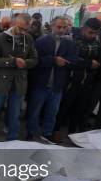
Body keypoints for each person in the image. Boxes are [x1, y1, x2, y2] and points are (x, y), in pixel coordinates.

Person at [0, 13, 37, 142]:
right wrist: (12, 62)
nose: (23, 32)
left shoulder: (28, 39)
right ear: (13, 24)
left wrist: (25, 63)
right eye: (21, 28)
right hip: (1, 81)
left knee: (15, 114)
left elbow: (34, 59)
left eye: (26, 29)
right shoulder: (0, 38)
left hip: (19, 82)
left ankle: (12, 138)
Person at [26, 16, 78, 144]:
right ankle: (31, 132)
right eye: (58, 27)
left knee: (52, 111)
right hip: (40, 83)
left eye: (64, 27)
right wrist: (54, 60)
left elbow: (74, 61)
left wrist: (65, 62)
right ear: (52, 26)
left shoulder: (70, 43)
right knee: (35, 110)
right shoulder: (41, 41)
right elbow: (35, 60)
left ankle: (47, 133)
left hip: (58, 84)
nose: (61, 30)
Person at [55, 18, 101, 134]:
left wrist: (97, 63)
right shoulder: (72, 41)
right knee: (64, 107)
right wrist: (88, 63)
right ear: (84, 29)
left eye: (96, 33)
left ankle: (73, 133)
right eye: (90, 32)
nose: (93, 35)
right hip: (72, 80)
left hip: (88, 81)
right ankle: (55, 130)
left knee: (80, 108)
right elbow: (70, 60)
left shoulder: (97, 43)